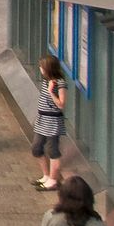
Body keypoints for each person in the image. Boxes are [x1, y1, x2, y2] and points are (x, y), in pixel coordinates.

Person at [35, 55, 69, 189]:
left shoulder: (59, 83)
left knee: (52, 149)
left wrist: (51, 92)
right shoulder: (45, 80)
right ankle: (46, 175)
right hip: (42, 119)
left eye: (42, 67)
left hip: (53, 120)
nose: (40, 69)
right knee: (36, 148)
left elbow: (61, 104)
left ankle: (53, 180)